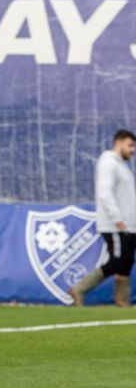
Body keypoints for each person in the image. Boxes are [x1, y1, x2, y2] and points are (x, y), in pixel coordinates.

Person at [73, 128, 136, 307]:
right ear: (118, 142)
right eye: (130, 145)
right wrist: (117, 219)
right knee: (117, 261)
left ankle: (122, 303)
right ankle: (79, 289)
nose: (132, 150)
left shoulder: (123, 166)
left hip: (129, 224)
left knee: (126, 262)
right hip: (115, 225)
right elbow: (105, 193)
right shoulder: (108, 163)